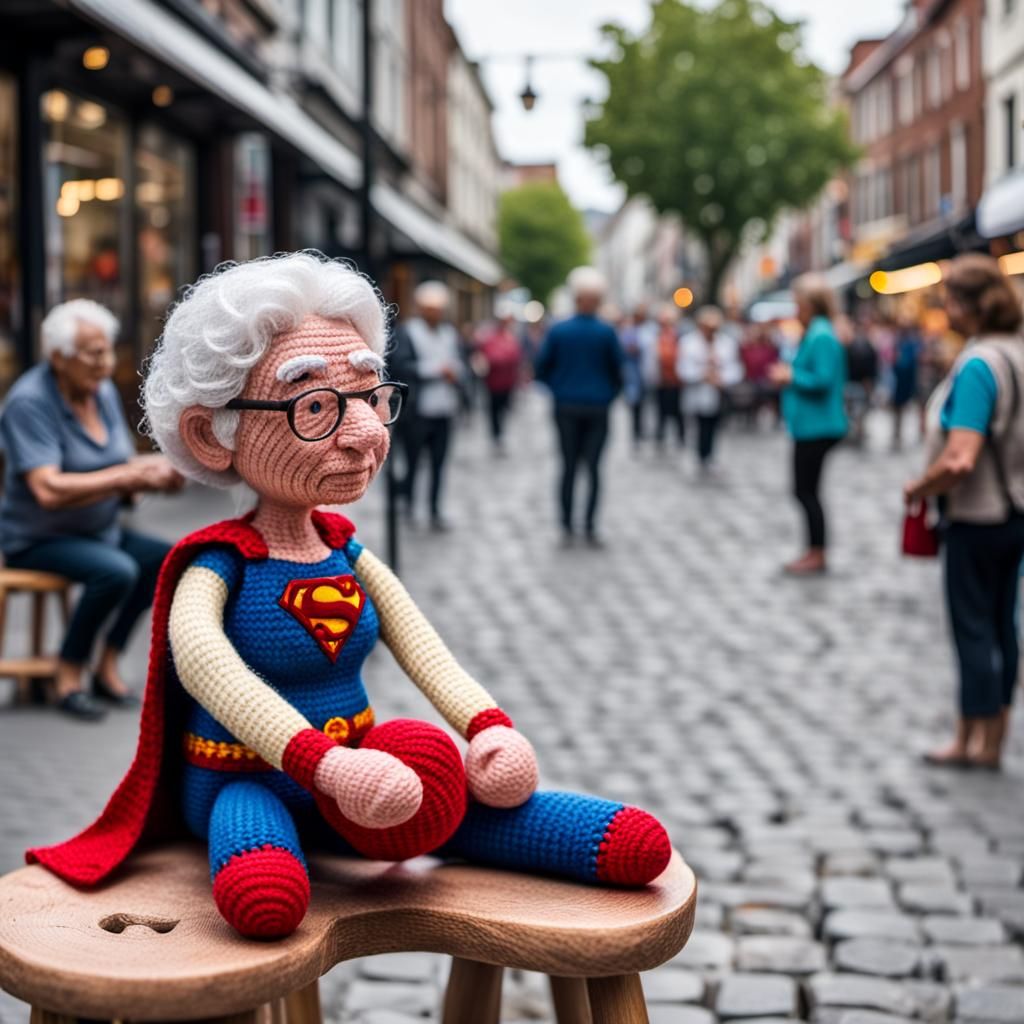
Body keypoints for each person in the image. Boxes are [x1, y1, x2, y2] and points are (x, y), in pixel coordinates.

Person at [26, 253, 670, 941]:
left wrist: (487, 727)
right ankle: (260, 854)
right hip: (249, 776)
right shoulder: (220, 565)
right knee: (261, 870)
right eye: (314, 407)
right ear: (213, 434)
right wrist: (322, 763)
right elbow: (209, 670)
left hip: (360, 780)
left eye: (369, 397)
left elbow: (425, 651)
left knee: (440, 790)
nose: (366, 432)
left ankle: (577, 838)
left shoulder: (346, 553)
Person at [0, 299, 183, 720]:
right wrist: (130, 478)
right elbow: (48, 489)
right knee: (115, 571)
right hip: (38, 537)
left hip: (98, 529)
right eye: (92, 353)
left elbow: (115, 465)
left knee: (166, 559)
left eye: (107, 350)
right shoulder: (30, 402)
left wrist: (154, 471)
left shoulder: (98, 393)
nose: (104, 362)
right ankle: (68, 671)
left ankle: (107, 661)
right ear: (59, 357)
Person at [903, 254, 1024, 770]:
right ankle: (992, 738)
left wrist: (918, 487)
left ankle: (971, 739)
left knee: (972, 628)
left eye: (949, 299)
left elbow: (961, 456)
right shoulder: (1019, 351)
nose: (944, 309)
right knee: (1003, 625)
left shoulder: (980, 364)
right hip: (1017, 510)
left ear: (969, 307)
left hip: (978, 516)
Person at [534, 267, 624, 546]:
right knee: (592, 468)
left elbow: (541, 368)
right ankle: (587, 524)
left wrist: (559, 390)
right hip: (595, 407)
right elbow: (619, 371)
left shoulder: (559, 330)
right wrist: (607, 394)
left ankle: (568, 523)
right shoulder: (606, 332)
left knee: (570, 466)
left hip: (568, 406)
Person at [769, 275, 848, 574]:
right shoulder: (816, 332)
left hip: (818, 426)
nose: (795, 309)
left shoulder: (821, 335)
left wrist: (790, 376)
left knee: (806, 491)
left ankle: (817, 551)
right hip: (810, 425)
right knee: (805, 490)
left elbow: (824, 380)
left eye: (798, 303)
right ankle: (814, 550)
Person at [389, 281, 464, 530]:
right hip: (418, 412)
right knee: (412, 460)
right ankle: (409, 504)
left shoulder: (449, 333)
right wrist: (435, 371)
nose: (435, 313)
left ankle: (434, 508)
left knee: (438, 463)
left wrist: (456, 374)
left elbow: (459, 362)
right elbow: (399, 366)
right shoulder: (408, 332)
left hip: (444, 408)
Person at [678, 305, 743, 472]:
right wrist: (703, 375)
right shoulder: (688, 343)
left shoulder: (726, 343)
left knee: (714, 425)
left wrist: (722, 379)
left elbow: (736, 369)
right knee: (701, 425)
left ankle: (709, 455)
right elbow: (683, 369)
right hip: (698, 393)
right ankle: (702, 455)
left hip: (719, 394)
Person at [476, 304, 523, 454]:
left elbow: (516, 356)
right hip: (493, 383)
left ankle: (500, 435)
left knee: (503, 410)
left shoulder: (511, 336)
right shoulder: (490, 336)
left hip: (507, 382)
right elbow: (490, 357)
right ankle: (496, 436)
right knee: (494, 411)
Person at [650, 304, 685, 449]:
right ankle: (660, 436)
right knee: (661, 411)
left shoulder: (679, 337)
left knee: (678, 411)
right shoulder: (657, 337)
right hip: (662, 380)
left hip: (676, 380)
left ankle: (680, 436)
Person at [620, 303, 654, 448]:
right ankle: (636, 433)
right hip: (633, 373)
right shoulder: (628, 331)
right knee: (635, 404)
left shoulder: (648, 330)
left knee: (645, 405)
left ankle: (641, 431)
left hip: (645, 373)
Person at [844, 314, 879, 447]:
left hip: (851, 383)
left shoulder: (850, 344)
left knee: (851, 411)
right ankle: (857, 432)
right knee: (859, 412)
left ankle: (853, 433)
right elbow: (872, 367)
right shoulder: (867, 345)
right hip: (860, 384)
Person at [891, 317, 922, 449]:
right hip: (901, 379)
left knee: (912, 405)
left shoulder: (910, 343)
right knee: (898, 407)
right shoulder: (902, 342)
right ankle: (897, 431)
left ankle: (918, 430)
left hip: (908, 379)